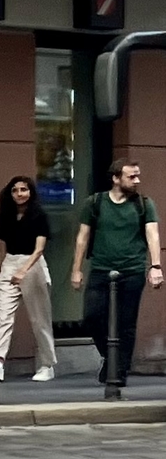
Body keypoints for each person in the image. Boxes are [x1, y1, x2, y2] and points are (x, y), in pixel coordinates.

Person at [71, 158, 163, 388]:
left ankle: (120, 369)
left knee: (126, 322)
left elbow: (152, 235)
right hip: (101, 268)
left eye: (138, 175)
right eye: (131, 176)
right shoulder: (95, 203)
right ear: (115, 178)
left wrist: (156, 266)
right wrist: (76, 269)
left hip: (132, 269)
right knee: (92, 317)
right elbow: (82, 237)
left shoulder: (143, 204)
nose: (137, 180)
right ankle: (110, 356)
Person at [0, 174, 56, 383]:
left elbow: (39, 249)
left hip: (33, 263)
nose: (19, 194)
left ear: (31, 192)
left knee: (39, 318)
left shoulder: (39, 215)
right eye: (15, 190)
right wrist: (5, 268)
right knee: (5, 315)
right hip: (11, 262)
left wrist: (23, 271)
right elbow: (4, 245)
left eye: (24, 190)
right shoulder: (7, 214)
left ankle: (47, 364)